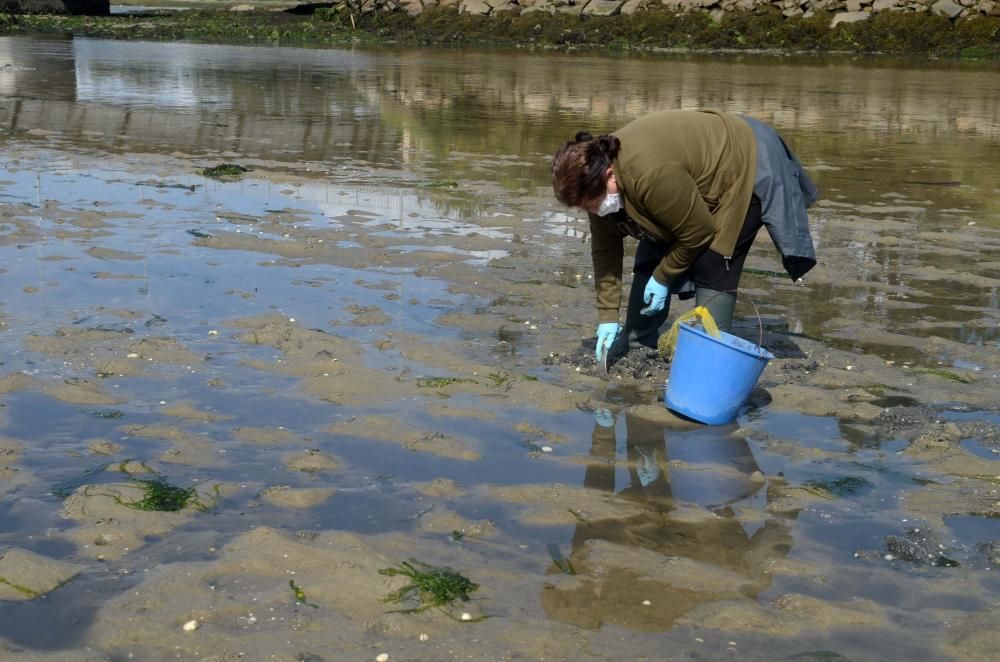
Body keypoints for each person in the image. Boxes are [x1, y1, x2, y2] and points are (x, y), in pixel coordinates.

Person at [550, 109, 819, 362]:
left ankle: (706, 355)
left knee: (714, 258)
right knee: (653, 247)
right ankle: (637, 343)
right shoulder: (597, 181)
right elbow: (605, 250)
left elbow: (698, 231)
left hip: (742, 161)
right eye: (583, 208)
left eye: (591, 203)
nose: (591, 211)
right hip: (685, 175)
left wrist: (663, 277)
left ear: (609, 175)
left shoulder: (650, 174)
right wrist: (607, 315)